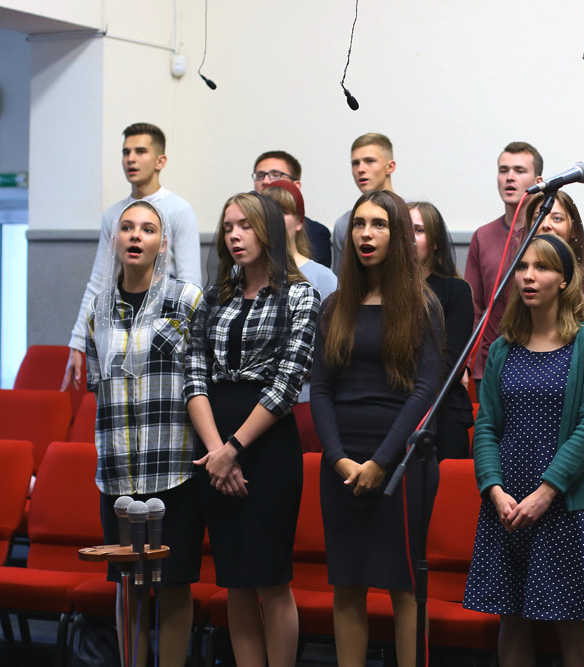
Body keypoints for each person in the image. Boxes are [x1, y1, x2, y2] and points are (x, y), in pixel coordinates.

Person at [464, 234, 584, 667]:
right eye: (523, 267)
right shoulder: (503, 347)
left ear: (565, 280)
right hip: (508, 502)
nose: (528, 276)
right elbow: (487, 426)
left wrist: (546, 492)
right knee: (510, 617)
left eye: (542, 267)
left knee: (571, 619)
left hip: (561, 499)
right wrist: (494, 490)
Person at [184, 192, 319, 667]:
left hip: (268, 447)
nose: (235, 236)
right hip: (213, 445)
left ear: (268, 231)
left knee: (271, 578)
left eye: (245, 226)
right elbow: (194, 377)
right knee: (235, 580)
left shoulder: (300, 294)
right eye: (228, 228)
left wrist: (234, 449)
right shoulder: (214, 297)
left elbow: (287, 383)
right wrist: (216, 452)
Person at [311, 190, 443, 667]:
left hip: (401, 462)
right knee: (347, 584)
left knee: (403, 587)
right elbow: (320, 389)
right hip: (342, 461)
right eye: (360, 224)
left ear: (399, 234)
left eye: (379, 224)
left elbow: (425, 391)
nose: (366, 234)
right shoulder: (335, 306)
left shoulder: (422, 305)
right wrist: (338, 459)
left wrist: (382, 462)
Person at [85, 201, 204, 667]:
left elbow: (201, 383)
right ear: (115, 239)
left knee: (171, 584)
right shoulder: (98, 308)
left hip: (173, 468)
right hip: (117, 474)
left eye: (148, 229)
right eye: (127, 228)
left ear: (163, 243)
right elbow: (97, 385)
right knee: (128, 586)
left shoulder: (187, 300)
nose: (136, 236)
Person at [64, 122, 201, 391]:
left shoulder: (179, 210)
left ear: (160, 161)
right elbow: (100, 279)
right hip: (120, 322)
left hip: (165, 327)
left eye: (140, 151)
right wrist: (77, 343)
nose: (131, 159)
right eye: (126, 152)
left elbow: (191, 282)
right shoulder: (113, 214)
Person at [465, 141, 544, 391]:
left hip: (539, 362)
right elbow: (473, 308)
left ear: (538, 181)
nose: (510, 177)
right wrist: (466, 363)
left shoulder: (547, 234)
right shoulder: (482, 236)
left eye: (520, 171)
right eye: (503, 170)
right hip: (489, 363)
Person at [408, 201, 475, 459]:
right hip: (390, 411)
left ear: (435, 242)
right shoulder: (383, 291)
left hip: (443, 413)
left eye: (418, 230)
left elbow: (450, 363)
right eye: (404, 230)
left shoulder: (456, 290)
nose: (409, 238)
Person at [524, 191, 584, 336]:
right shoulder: (520, 281)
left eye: (557, 218)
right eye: (538, 217)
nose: (546, 225)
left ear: (574, 230)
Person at [330, 133, 400, 272]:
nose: (360, 169)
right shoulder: (344, 223)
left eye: (370, 161)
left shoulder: (414, 215)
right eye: (355, 163)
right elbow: (341, 278)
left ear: (390, 167)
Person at [253, 150, 332, 268]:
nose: (265, 181)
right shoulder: (243, 228)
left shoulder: (315, 233)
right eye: (260, 175)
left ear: (295, 186)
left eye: (275, 175)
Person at [261, 181, 339, 301]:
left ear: (299, 222)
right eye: (266, 212)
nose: (273, 217)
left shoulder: (322, 277)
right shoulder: (244, 272)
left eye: (283, 212)